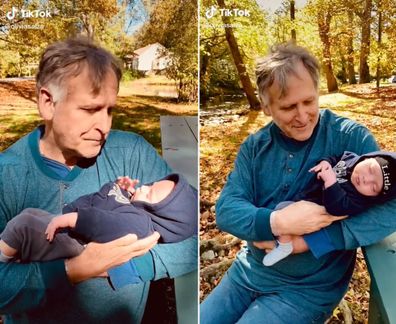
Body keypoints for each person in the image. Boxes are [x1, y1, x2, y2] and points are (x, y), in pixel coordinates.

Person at [0, 37, 197, 323]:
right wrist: (74, 270)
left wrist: (126, 265)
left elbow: (191, 234)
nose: (103, 126)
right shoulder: (8, 175)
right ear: (47, 103)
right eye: (90, 109)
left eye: (110, 110)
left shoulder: (131, 153)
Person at [200, 43, 396, 324]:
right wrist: (279, 222)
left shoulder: (349, 138)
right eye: (289, 106)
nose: (303, 116)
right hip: (247, 272)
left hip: (308, 290)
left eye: (309, 102)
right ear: (266, 107)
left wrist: (315, 239)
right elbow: (227, 210)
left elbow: (392, 205)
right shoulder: (254, 148)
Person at [0, 173, 197, 264]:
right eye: (150, 185)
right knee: (30, 213)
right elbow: (106, 202)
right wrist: (119, 188)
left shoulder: (140, 224)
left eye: (149, 194)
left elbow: (103, 224)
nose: (144, 187)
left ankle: (2, 259)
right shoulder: (134, 207)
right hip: (68, 226)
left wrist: (73, 220)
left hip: (73, 241)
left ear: (160, 214)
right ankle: (15, 253)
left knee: (23, 226)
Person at [263, 150, 396, 266]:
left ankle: (285, 246)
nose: (366, 179)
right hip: (304, 199)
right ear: (368, 158)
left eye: (373, 187)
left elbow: (337, 208)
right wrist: (325, 162)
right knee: (277, 212)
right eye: (370, 170)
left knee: (282, 209)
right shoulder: (350, 158)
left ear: (375, 196)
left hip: (312, 217)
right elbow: (335, 158)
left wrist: (331, 182)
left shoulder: (358, 200)